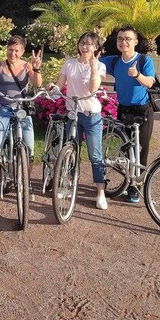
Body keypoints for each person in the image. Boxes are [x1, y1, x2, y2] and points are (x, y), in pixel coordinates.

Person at [0, 36, 43, 200]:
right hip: (2, 108)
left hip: (22, 109)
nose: (13, 53)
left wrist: (36, 69)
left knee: (29, 149)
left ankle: (26, 184)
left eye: (16, 50)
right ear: (6, 50)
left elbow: (37, 84)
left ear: (22, 52)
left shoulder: (27, 66)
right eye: (10, 50)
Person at [53, 31, 108, 210]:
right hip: (73, 113)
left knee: (95, 155)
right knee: (70, 151)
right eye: (82, 43)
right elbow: (60, 84)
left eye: (89, 44)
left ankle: (100, 192)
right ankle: (68, 184)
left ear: (96, 47)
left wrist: (92, 69)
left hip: (91, 115)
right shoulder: (69, 64)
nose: (85, 47)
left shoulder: (100, 66)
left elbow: (93, 88)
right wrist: (53, 88)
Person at [101, 24, 156, 203]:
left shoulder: (143, 61)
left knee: (142, 149)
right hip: (123, 109)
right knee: (126, 149)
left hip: (142, 109)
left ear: (135, 42)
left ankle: (136, 187)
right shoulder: (114, 61)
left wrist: (137, 75)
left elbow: (149, 83)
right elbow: (94, 61)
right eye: (120, 39)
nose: (123, 42)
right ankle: (127, 181)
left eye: (127, 39)